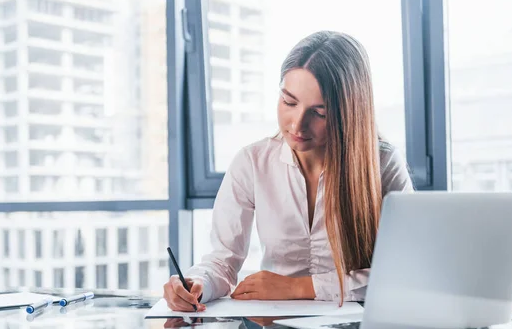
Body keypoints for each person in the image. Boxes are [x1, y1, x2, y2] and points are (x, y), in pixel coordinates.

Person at [163, 31, 414, 312]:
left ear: (350, 112)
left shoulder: (382, 163)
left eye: (319, 113)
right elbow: (222, 261)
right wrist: (198, 282)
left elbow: (406, 272)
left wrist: (298, 287)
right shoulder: (252, 162)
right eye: (289, 102)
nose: (297, 126)